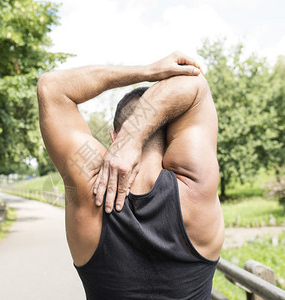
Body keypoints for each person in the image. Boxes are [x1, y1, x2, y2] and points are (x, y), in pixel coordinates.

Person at [37, 52, 224, 299]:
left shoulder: (89, 187)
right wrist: (135, 136)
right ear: (170, 135)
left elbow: (51, 86)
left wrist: (146, 71)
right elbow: (194, 82)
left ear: (113, 136)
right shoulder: (195, 187)